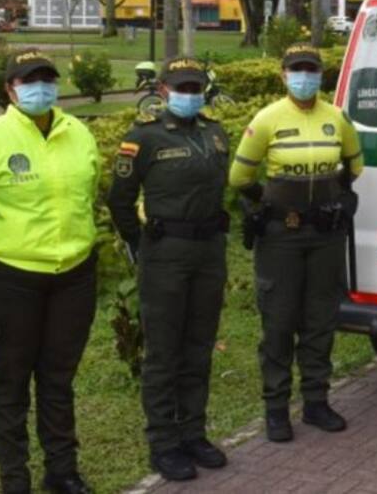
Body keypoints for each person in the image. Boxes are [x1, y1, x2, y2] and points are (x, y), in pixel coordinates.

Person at [0, 51, 100, 494]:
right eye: (30, 81)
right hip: (6, 281)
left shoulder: (78, 134)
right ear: (10, 89)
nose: (41, 88)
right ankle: (15, 480)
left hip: (73, 277)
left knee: (57, 380)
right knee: (10, 384)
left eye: (48, 80)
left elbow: (89, 197)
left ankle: (62, 471)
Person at [230, 43, 364, 443]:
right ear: (283, 75)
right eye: (296, 70)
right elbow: (240, 178)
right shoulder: (267, 119)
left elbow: (354, 167)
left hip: (324, 235)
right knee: (279, 320)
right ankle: (275, 410)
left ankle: (316, 402)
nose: (304, 77)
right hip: (280, 237)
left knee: (320, 317)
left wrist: (332, 200)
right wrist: (270, 204)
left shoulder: (337, 118)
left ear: (321, 76)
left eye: (311, 70)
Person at [107, 57, 232, 482]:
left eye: (196, 88)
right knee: (164, 352)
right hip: (166, 253)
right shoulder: (143, 139)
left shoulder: (216, 133)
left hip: (209, 252)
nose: (190, 95)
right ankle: (164, 442)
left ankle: (193, 433)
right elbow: (120, 200)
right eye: (182, 88)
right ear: (162, 90)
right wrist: (140, 247)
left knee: (199, 346)